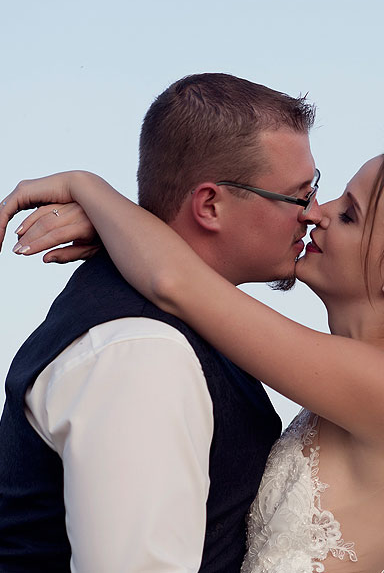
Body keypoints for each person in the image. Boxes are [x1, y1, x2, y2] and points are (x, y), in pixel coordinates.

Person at [1, 144, 384, 572]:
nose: (317, 212)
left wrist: (86, 186)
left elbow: (175, 282)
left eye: (350, 214)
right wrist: (120, 234)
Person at [0, 73, 322, 572]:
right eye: (299, 195)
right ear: (210, 205)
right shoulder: (144, 351)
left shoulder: (183, 328)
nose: (314, 214)